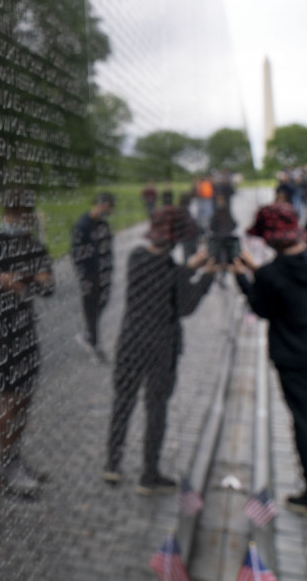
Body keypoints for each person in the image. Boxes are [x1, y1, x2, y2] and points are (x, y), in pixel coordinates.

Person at [233, 204, 307, 522]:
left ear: (270, 239)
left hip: (295, 361)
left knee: (305, 424)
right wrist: (258, 270)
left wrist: (244, 278)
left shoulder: (270, 274)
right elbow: (288, 281)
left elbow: (263, 307)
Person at [103, 207, 215, 494]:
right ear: (176, 239)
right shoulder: (175, 272)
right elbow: (186, 306)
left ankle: (112, 464)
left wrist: (190, 268)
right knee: (156, 409)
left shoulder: (136, 257)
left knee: (123, 402)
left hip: (130, 341)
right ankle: (149, 474)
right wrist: (206, 275)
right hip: (162, 347)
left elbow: (163, 274)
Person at [0, 189, 54, 497]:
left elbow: (49, 287)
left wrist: (43, 280)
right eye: (18, 214)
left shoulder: (33, 245)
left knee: (25, 397)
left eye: (27, 214)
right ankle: (5, 468)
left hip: (26, 329)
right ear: (7, 213)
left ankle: (14, 458)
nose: (23, 220)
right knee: (10, 398)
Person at [71, 192, 115, 361]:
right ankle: (94, 343)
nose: (111, 211)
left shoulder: (103, 225)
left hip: (103, 274)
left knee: (100, 305)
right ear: (102, 204)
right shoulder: (83, 225)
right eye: (109, 207)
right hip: (89, 276)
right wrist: (84, 276)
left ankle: (89, 335)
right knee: (91, 309)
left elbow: (107, 248)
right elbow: (76, 254)